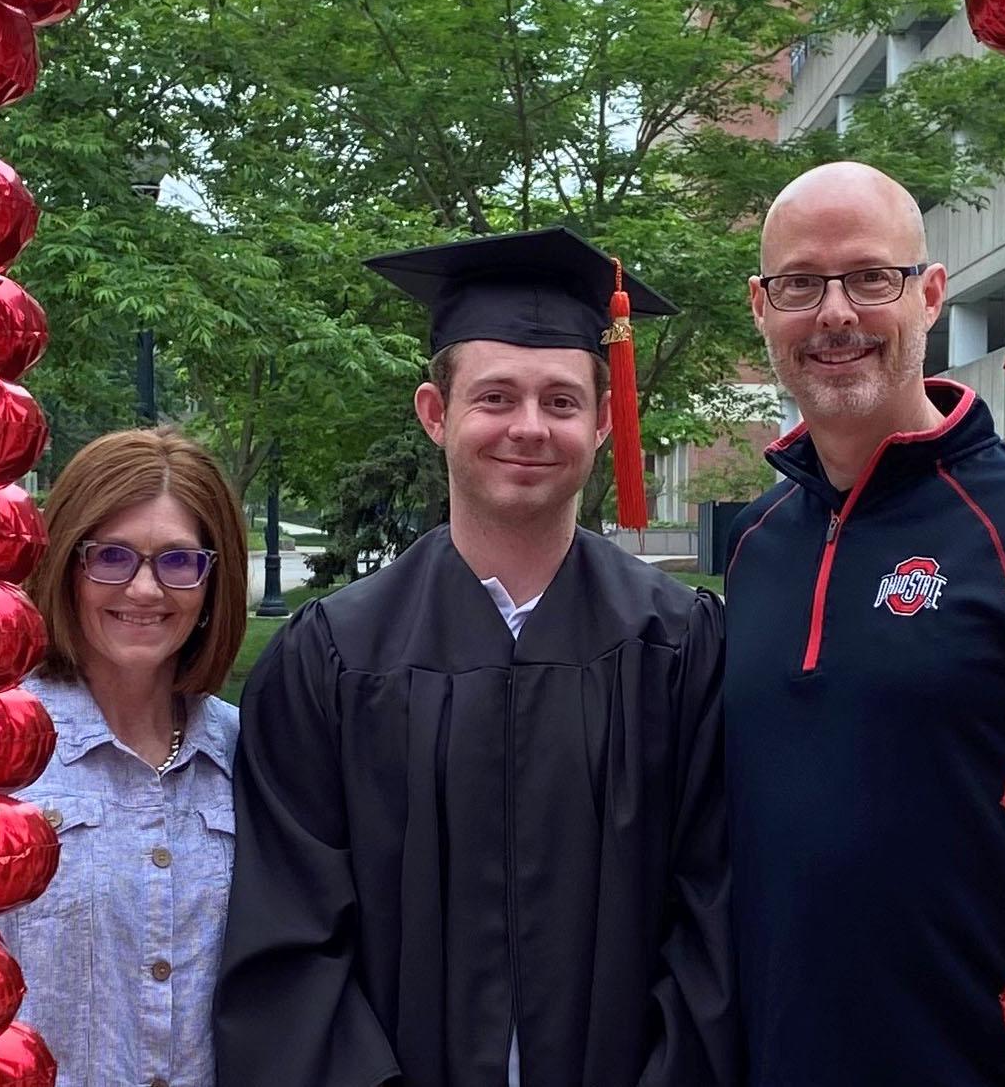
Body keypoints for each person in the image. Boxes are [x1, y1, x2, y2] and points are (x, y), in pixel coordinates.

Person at [214, 227, 737, 1087]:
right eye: (495, 396)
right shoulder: (332, 660)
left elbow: (711, 921)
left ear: (604, 422)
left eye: (561, 402)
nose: (528, 427)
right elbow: (290, 945)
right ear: (434, 412)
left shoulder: (679, 648)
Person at [724, 163, 1005, 1086]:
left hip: (978, 1061)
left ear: (929, 293)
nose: (834, 313)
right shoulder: (752, 548)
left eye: (869, 278)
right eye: (800, 284)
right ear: (762, 308)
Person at [0, 426, 249, 1087]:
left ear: (211, 580)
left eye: (178, 561)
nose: (144, 589)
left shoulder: (250, 755)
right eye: (110, 556)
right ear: (64, 566)